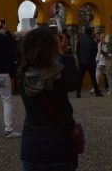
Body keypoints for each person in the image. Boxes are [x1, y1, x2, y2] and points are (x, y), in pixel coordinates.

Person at [18, 27, 80, 171]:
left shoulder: (22, 74)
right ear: (52, 49)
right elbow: (76, 81)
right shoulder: (60, 74)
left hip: (31, 144)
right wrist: (65, 53)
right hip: (59, 144)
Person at [74, 29, 101, 97]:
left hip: (82, 62)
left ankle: (78, 93)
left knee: (80, 78)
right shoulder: (92, 40)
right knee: (93, 78)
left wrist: (80, 59)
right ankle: (97, 93)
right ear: (91, 32)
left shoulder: (80, 40)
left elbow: (77, 50)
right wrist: (93, 59)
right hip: (90, 62)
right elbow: (95, 50)